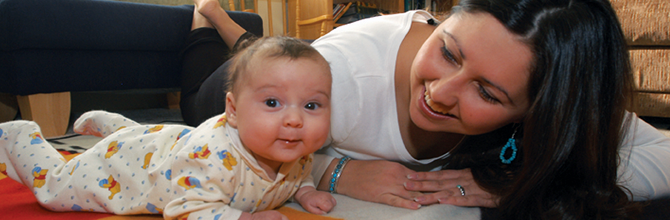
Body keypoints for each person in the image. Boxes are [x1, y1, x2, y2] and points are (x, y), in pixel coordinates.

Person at [180, 0, 670, 218]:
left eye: (488, 93)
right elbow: (212, 153)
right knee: (212, 85)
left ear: (536, 109)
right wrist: (331, 171)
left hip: (306, 64)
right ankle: (211, 16)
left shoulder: (552, 99)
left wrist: (532, 176)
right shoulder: (345, 76)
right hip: (238, 99)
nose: (440, 91)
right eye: (449, 52)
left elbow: (663, 153)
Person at [0, 36, 336, 220]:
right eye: (273, 103)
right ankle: (19, 136)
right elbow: (186, 207)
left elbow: (299, 171)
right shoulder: (211, 161)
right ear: (232, 110)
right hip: (129, 172)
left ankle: (113, 126)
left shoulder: (292, 146)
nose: (295, 120)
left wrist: (304, 191)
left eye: (311, 106)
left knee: (151, 137)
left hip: (167, 146)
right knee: (58, 191)